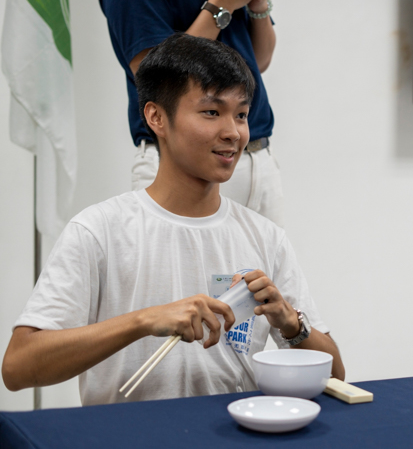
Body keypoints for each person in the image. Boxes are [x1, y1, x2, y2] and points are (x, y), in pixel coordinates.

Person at [1, 34, 344, 405]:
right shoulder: (99, 230)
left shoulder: (266, 237)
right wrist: (144, 321)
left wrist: (292, 325)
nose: (233, 132)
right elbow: (19, 367)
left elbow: (336, 377)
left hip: (236, 432)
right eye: (212, 112)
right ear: (156, 117)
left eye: (241, 114)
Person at [97, 0, 285, 226]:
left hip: (257, 157)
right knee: (176, 269)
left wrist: (258, 5)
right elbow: (155, 76)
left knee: (266, 270)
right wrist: (221, 4)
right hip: (184, 165)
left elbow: (260, 60)